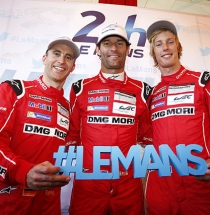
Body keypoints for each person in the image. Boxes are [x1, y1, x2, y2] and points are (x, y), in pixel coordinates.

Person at [66, 23, 152, 215]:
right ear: (98, 49)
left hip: (128, 187)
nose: (113, 48)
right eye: (107, 43)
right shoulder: (80, 87)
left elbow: (150, 139)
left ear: (128, 50)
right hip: (88, 185)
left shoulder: (143, 90)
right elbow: (70, 136)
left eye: (119, 43)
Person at [0, 36, 80, 215]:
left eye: (68, 57)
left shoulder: (68, 107)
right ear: (44, 58)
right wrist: (22, 171)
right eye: (56, 53)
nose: (61, 60)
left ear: (73, 67)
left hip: (50, 201)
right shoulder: (16, 90)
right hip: (12, 197)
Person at [145, 20, 210, 215]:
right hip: (162, 188)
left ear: (178, 46)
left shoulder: (205, 81)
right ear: (153, 52)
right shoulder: (151, 94)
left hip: (202, 185)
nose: (165, 48)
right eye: (158, 44)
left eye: (170, 41)